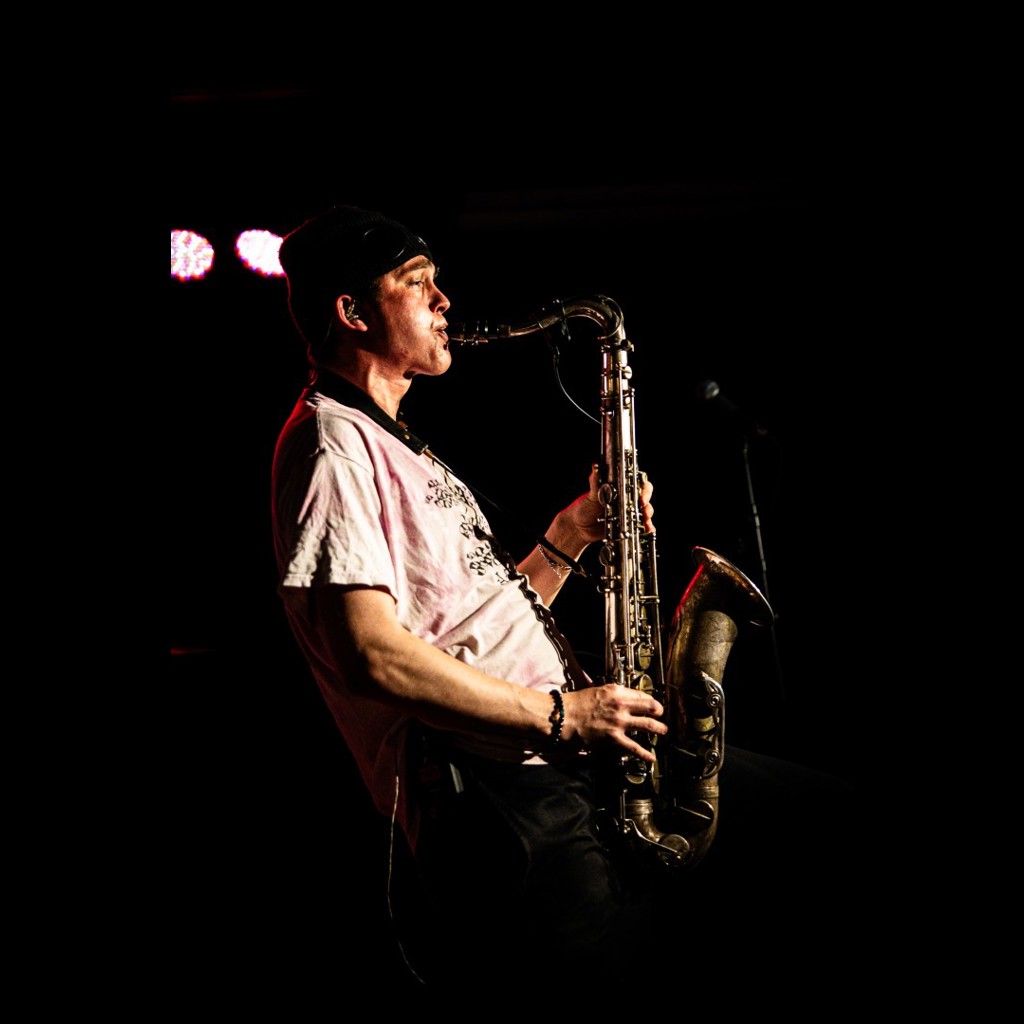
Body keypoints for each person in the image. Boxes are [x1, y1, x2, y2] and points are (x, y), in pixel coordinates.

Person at [270, 205, 856, 993]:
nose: (444, 300)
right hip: (504, 792)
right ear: (351, 311)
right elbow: (370, 654)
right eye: (416, 283)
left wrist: (571, 533)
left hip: (556, 766)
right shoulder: (332, 445)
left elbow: (469, 625)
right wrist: (564, 716)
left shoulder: (391, 442)